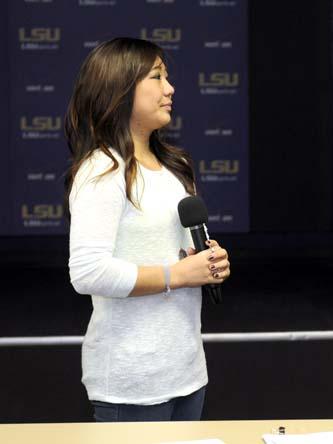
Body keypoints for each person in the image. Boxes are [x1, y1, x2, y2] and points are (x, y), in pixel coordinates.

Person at [65, 38, 231, 422]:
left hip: (187, 373)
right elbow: (87, 272)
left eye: (167, 77)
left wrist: (207, 263)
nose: (170, 88)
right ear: (119, 89)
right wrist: (177, 274)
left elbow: (169, 253)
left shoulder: (173, 166)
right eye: (157, 76)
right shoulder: (102, 170)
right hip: (131, 383)